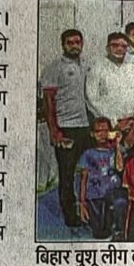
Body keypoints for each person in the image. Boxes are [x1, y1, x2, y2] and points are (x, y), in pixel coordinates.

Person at [41, 28, 90, 230]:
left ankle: (89, 210)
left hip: (85, 126)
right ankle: (70, 215)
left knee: (88, 170)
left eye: (77, 42)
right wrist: (54, 131)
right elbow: (48, 101)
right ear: (63, 45)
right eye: (70, 43)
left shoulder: (86, 66)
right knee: (67, 174)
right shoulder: (54, 68)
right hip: (65, 128)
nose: (74, 46)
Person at [75, 117, 128, 240]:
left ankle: (119, 230)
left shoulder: (115, 150)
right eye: (98, 131)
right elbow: (83, 178)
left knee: (120, 202)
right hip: (95, 194)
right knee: (100, 233)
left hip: (113, 192)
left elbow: (120, 168)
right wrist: (82, 202)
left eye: (106, 131)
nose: (102, 134)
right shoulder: (88, 154)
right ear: (93, 134)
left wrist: (117, 144)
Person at [86, 32, 134, 126]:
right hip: (106, 123)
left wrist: (131, 117)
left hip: (133, 121)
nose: (119, 49)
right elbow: (92, 98)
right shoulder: (97, 67)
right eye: (115, 45)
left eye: (123, 46)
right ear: (107, 48)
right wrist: (113, 120)